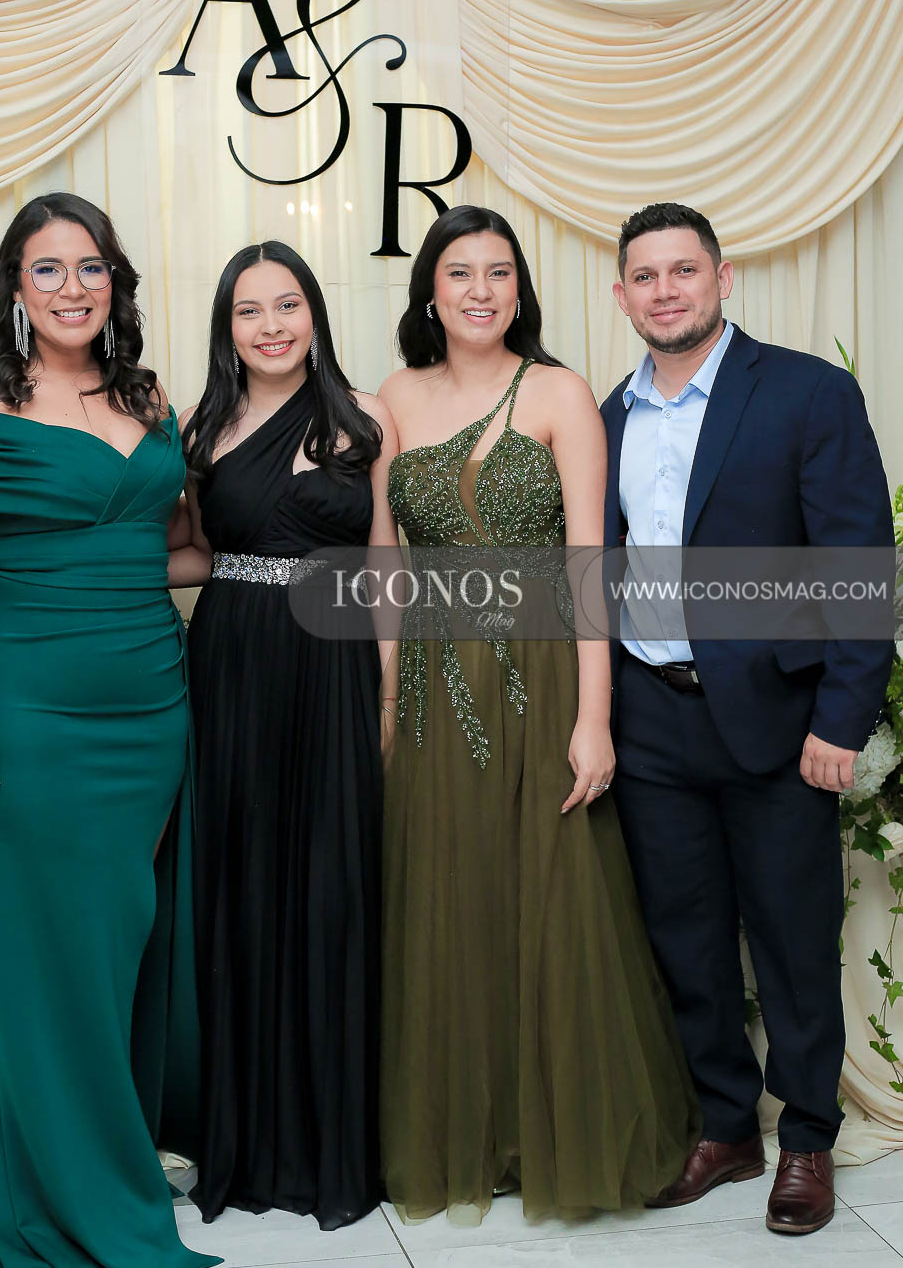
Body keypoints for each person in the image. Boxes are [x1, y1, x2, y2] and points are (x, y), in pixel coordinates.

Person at [377, 205, 698, 1225]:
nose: (480, 291)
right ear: (430, 292)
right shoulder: (393, 397)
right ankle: (473, 1134)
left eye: (499, 273)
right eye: (459, 272)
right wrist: (382, 701)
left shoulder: (560, 393)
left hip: (545, 673)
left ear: (521, 291)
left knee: (554, 901)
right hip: (433, 686)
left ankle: (554, 1131)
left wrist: (594, 717)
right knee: (452, 899)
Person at [0, 193, 220, 1267]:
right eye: (47, 270)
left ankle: (112, 1158)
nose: (72, 288)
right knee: (52, 958)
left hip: (149, 706)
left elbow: (180, 549)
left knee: (116, 943)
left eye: (91, 268)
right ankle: (62, 1194)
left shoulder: (147, 395)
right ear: (13, 287)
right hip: (30, 711)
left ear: (114, 284)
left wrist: (283, 565)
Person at [602, 201, 894, 1235]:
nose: (666, 291)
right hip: (650, 718)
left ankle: (807, 1137)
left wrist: (843, 720)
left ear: (723, 280)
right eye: (646, 276)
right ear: (622, 295)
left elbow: (858, 566)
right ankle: (725, 1128)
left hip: (778, 720)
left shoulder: (807, 393)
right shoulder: (608, 415)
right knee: (684, 939)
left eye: (684, 270)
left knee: (792, 939)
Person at [171, 241, 398, 1230]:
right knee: (243, 888)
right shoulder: (198, 428)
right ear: (227, 328)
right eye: (249, 310)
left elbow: (384, 565)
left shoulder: (364, 421)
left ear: (314, 314)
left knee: (332, 889)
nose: (271, 326)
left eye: (288, 304)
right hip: (234, 666)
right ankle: (246, 1142)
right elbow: (190, 551)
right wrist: (68, 573)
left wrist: (387, 694)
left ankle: (329, 1145)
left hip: (336, 666)